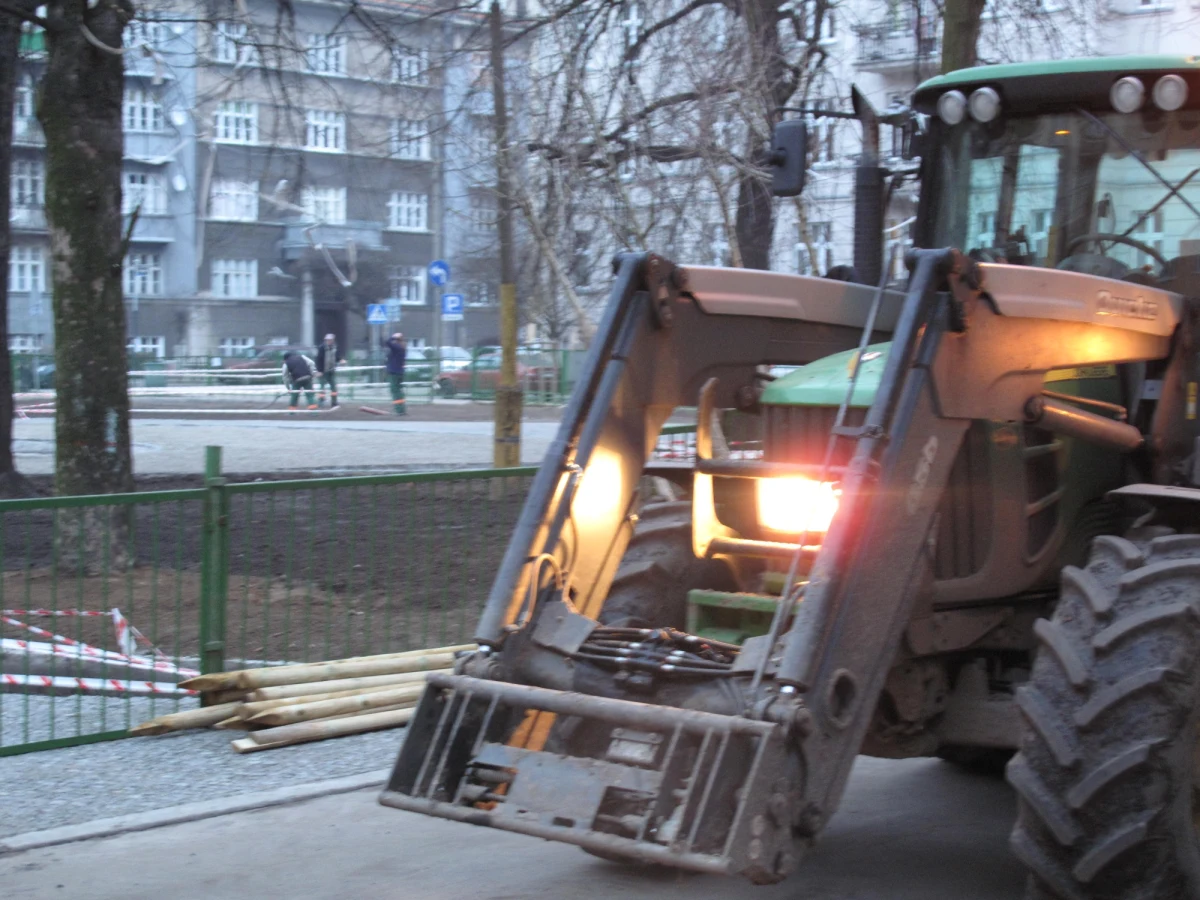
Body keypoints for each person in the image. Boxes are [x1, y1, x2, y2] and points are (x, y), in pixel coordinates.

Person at [314, 333, 344, 407]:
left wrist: (341, 360)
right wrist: (319, 371)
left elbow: (336, 356)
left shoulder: (335, 347)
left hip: (331, 371)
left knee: (334, 387)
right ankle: (321, 401)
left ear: (333, 340)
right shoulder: (321, 348)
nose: (329, 341)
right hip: (323, 371)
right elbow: (318, 360)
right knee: (322, 387)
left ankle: (334, 402)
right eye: (327, 340)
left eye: (330, 340)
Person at [383, 332, 407, 416]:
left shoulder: (397, 347)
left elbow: (387, 342)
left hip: (394, 372)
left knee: (395, 391)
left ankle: (399, 410)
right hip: (399, 372)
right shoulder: (402, 347)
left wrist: (392, 336)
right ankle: (402, 409)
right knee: (398, 391)